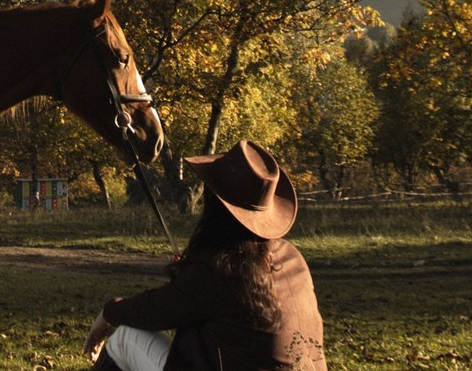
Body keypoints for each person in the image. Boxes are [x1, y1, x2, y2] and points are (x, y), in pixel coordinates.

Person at [84, 140, 328, 371]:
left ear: (216, 205)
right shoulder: (292, 256)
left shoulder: (224, 269)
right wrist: (191, 273)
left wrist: (109, 313)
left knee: (125, 337)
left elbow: (155, 310)